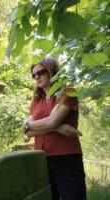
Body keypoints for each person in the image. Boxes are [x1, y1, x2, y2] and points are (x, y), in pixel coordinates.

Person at [23, 57, 86, 200]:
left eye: (41, 72)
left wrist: (34, 125)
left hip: (67, 157)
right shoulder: (36, 100)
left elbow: (51, 122)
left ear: (52, 71)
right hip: (41, 157)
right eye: (34, 75)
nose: (37, 76)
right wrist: (58, 128)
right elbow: (28, 132)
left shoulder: (68, 93)